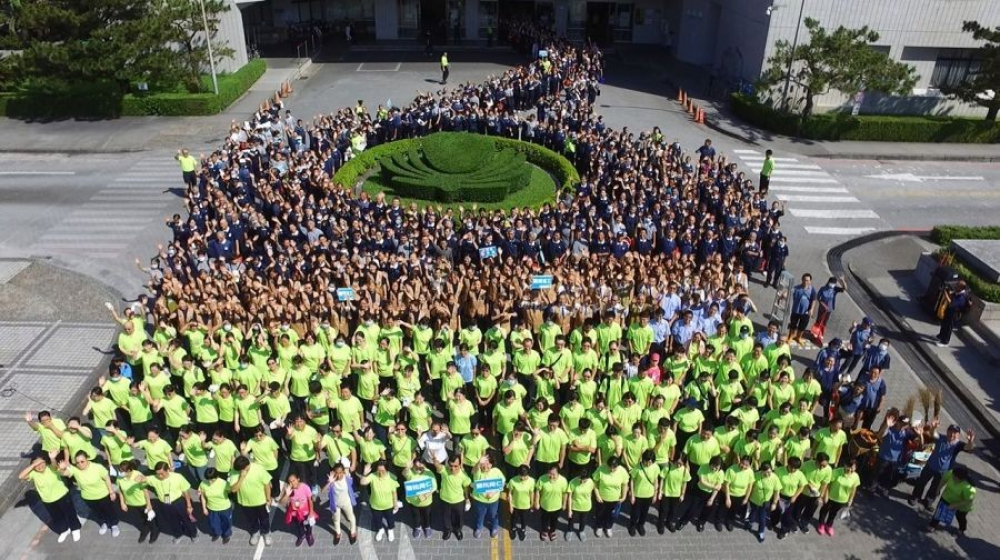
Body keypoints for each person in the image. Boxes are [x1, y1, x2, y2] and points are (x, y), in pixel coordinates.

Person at [910, 422, 975, 508]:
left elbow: (969, 447)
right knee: (921, 482)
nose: (952, 434)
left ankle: (928, 502)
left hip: (943, 472)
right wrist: (933, 427)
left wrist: (970, 440)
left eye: (955, 433)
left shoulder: (958, 445)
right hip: (930, 466)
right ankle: (915, 497)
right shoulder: (941, 438)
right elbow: (934, 434)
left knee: (935, 488)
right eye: (950, 431)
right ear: (947, 432)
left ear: (958, 435)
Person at [19, 457, 82, 543]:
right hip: (48, 500)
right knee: (57, 517)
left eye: (41, 463)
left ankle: (75, 528)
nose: (40, 466)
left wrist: (52, 458)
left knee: (69, 513)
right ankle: (64, 530)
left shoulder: (51, 467)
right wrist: (34, 464)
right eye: (36, 465)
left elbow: (56, 466)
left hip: (62, 495)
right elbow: (21, 476)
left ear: (45, 462)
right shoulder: (33, 473)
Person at [58, 451, 120, 538]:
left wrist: (111, 492)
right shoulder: (75, 469)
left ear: (87, 459)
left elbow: (106, 478)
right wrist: (62, 469)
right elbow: (64, 473)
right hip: (88, 497)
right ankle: (103, 523)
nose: (80, 464)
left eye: (82, 461)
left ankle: (114, 525)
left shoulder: (97, 467)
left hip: (103, 495)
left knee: (108, 510)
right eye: (77, 462)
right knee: (97, 512)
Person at [145, 461, 198, 544]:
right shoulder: (154, 478)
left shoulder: (178, 477)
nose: (160, 476)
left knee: (186, 519)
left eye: (162, 473)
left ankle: (193, 533)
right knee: (172, 520)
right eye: (158, 474)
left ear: (168, 470)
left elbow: (186, 492)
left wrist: (189, 505)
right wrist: (140, 478)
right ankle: (178, 534)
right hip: (165, 504)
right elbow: (144, 479)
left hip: (179, 502)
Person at [229, 455, 272, 546]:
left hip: (261, 501)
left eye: (243, 469)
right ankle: (255, 532)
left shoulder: (258, 469)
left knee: (264, 519)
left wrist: (268, 499)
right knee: (251, 520)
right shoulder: (235, 472)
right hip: (245, 503)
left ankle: (266, 533)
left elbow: (267, 484)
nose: (241, 471)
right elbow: (233, 489)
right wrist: (241, 477)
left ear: (247, 466)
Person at [926, 466, 975, 535]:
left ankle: (962, 528)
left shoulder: (969, 488)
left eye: (955, 478)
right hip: (946, 497)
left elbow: (968, 501)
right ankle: (932, 525)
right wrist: (938, 489)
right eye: (953, 476)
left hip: (962, 505)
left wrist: (955, 505)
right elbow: (943, 480)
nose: (953, 478)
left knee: (960, 517)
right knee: (939, 511)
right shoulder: (951, 473)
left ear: (961, 479)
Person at [817, 459, 861, 537]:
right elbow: (828, 484)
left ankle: (829, 525)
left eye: (852, 468)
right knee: (824, 511)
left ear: (856, 468)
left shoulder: (855, 477)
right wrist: (826, 495)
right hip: (830, 497)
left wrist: (851, 499)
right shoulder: (836, 472)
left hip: (842, 500)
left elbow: (853, 489)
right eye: (848, 467)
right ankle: (821, 524)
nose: (850, 470)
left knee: (833, 513)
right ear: (844, 465)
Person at [434, 454, 471, 540]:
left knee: (459, 517)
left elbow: (466, 487)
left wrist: (467, 499)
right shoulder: (444, 470)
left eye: (455, 466)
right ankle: (448, 530)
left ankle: (457, 530)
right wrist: (434, 460)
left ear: (460, 465)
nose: (453, 469)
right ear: (448, 464)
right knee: (446, 516)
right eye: (450, 466)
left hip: (458, 501)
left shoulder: (463, 475)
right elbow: (438, 466)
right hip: (444, 500)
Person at [592, 456, 629, 538]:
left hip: (615, 499)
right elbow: (595, 483)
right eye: (610, 467)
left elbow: (625, 485)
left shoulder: (622, 471)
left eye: (614, 468)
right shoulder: (601, 469)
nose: (611, 470)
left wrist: (624, 496)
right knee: (600, 514)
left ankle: (608, 527)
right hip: (602, 499)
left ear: (618, 466)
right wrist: (597, 495)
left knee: (612, 515)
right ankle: (599, 526)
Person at [471, 454, 505, 538]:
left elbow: (502, 482)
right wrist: (479, 462)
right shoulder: (478, 472)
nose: (485, 466)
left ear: (492, 464)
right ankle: (478, 528)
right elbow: (473, 470)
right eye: (483, 464)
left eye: (488, 463)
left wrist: (493, 492)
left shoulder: (496, 471)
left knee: (493, 515)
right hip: (479, 500)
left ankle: (494, 528)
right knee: (480, 514)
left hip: (493, 501)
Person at [627, 450, 660, 536]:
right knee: (635, 512)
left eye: (650, 462)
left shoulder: (655, 467)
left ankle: (640, 525)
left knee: (644, 512)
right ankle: (632, 525)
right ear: (643, 459)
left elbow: (656, 480)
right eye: (647, 462)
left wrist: (655, 494)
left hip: (649, 495)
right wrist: (632, 495)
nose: (648, 464)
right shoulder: (637, 468)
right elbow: (632, 481)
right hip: (638, 494)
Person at [325, 463, 358, 545]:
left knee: (351, 518)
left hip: (346, 503)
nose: (339, 475)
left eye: (340, 472)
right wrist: (329, 482)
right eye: (336, 472)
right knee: (336, 519)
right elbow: (322, 490)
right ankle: (338, 533)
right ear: (333, 472)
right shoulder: (332, 482)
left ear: (343, 472)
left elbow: (348, 471)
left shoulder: (347, 479)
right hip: (335, 504)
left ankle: (353, 532)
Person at [198, 467, 234, 544]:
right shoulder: (203, 484)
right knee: (214, 523)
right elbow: (203, 497)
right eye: (208, 480)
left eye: (212, 480)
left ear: (217, 477)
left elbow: (232, 490)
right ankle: (217, 533)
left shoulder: (224, 483)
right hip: (212, 508)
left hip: (225, 508)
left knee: (226, 523)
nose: (210, 482)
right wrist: (204, 508)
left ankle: (226, 535)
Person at [534, 463, 568, 541]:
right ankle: (544, 531)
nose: (551, 476)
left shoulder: (563, 481)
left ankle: (552, 531)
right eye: (549, 473)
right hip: (544, 505)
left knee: (554, 520)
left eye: (553, 474)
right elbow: (538, 491)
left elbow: (565, 493)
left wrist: (564, 504)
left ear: (558, 473)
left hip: (557, 506)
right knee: (544, 520)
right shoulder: (542, 478)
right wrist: (536, 502)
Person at [281, 473, 316, 547]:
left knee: (308, 525)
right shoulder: (289, 489)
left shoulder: (305, 487)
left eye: (293, 480)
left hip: (305, 512)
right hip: (295, 514)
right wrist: (286, 494)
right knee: (299, 525)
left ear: (298, 479)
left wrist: (311, 512)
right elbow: (282, 502)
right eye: (290, 482)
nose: (292, 483)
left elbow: (310, 500)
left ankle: (309, 534)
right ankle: (302, 535)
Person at [936, 280, 971, 347]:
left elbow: (952, 304)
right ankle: (940, 336)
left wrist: (945, 294)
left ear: (961, 288)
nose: (955, 287)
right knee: (944, 323)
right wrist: (949, 292)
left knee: (948, 327)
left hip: (954, 314)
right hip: (949, 311)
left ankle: (945, 342)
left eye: (957, 286)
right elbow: (954, 294)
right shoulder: (958, 292)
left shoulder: (962, 297)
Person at [566, 467, 595, 541]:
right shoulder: (572, 482)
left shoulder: (591, 482)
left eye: (584, 480)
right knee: (571, 520)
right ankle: (569, 530)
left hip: (586, 507)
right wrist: (569, 510)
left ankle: (581, 531)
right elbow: (569, 497)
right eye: (581, 479)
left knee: (583, 520)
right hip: (575, 506)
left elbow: (591, 492)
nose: (582, 482)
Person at [788, 274, 816, 348]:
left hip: (805, 313)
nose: (805, 282)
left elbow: (814, 300)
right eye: (804, 280)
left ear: (810, 281)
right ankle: (791, 336)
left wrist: (812, 309)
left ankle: (798, 337)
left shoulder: (812, 290)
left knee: (802, 327)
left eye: (807, 280)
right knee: (793, 325)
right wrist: (783, 295)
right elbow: (789, 292)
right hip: (795, 311)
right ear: (802, 279)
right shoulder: (796, 288)